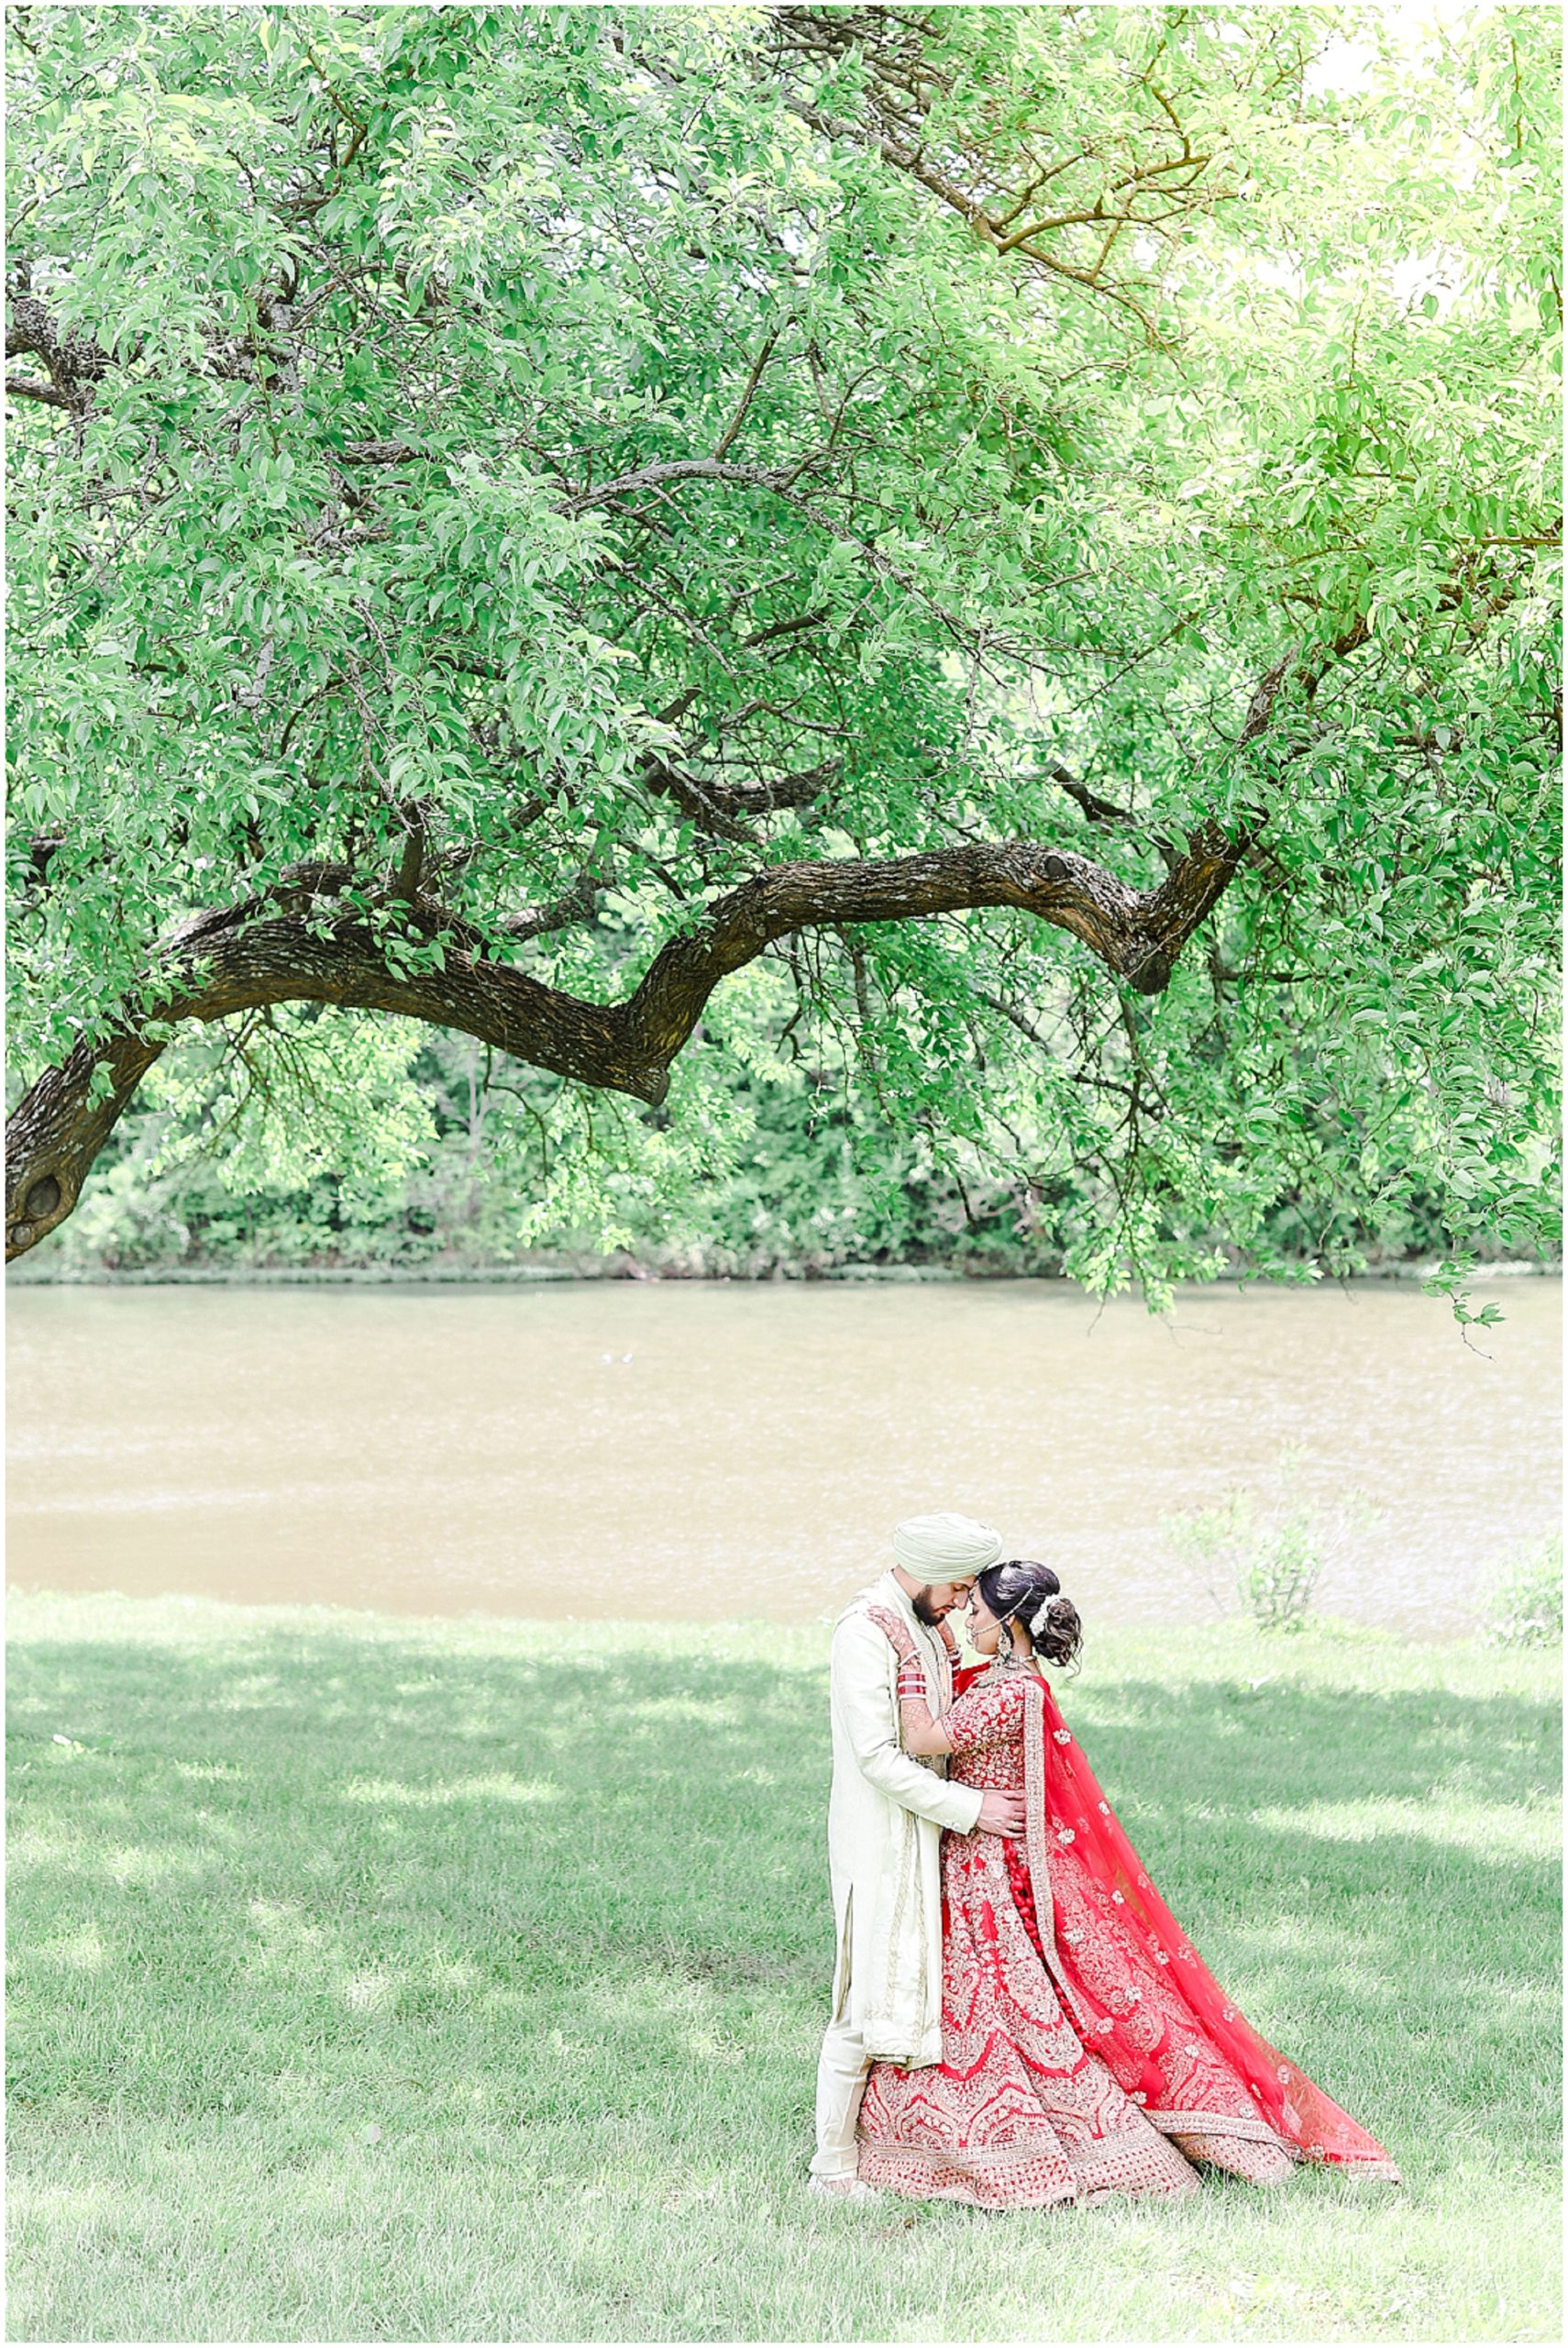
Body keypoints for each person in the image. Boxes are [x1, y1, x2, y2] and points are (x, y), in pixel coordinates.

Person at [854, 1558, 1402, 2208]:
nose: (964, 1618)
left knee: (996, 2000)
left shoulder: (1009, 1693)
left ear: (1006, 1625)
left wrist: (903, 1655)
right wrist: (935, 1643)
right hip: (979, 1856)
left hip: (986, 1869)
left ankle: (1018, 2139)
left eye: (974, 1611)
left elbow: (918, 1737)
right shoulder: (1010, 1679)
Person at [809, 1512, 1028, 2198]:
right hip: (880, 1839)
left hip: (927, 1834)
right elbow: (876, 1757)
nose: (965, 1605)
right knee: (860, 2003)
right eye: (961, 1589)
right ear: (932, 1575)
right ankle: (832, 2170)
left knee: (910, 1993)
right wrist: (974, 1808)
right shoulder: (866, 1631)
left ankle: (892, 2148)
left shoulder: (925, 1627)